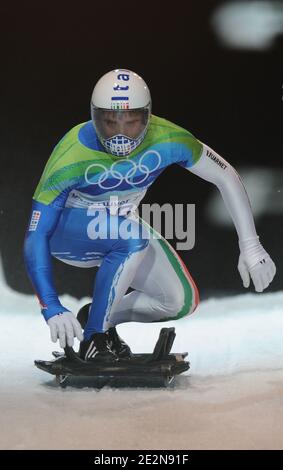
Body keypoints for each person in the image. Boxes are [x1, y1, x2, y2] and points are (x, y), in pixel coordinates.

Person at [23, 69, 276, 362]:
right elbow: (37, 234)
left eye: (130, 122)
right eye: (109, 122)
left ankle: (96, 316)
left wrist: (250, 244)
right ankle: (96, 336)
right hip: (67, 233)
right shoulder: (71, 155)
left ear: (148, 117)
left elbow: (225, 175)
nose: (119, 134)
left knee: (178, 301)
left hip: (122, 226)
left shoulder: (168, 138)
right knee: (132, 237)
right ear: (94, 118)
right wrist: (50, 306)